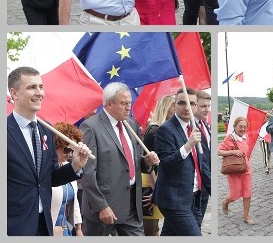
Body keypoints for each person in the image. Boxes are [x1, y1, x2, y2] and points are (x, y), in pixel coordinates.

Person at [7, 67, 91, 236]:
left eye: (41, 87)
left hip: (44, 224)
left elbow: (50, 177)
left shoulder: (46, 130)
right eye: (32, 87)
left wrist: (75, 166)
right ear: (14, 93)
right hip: (12, 227)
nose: (39, 93)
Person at [79, 82, 160, 236]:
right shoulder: (91, 127)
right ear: (109, 104)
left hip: (131, 205)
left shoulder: (131, 125)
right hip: (103, 206)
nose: (128, 107)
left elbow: (130, 162)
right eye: (124, 103)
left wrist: (146, 162)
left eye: (129, 103)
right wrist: (101, 206)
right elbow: (87, 172)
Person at [153, 88, 211, 236]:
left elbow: (201, 163)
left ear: (195, 106)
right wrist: (187, 146)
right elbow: (165, 164)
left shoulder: (195, 128)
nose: (186, 107)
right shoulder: (166, 130)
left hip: (194, 197)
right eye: (181, 103)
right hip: (174, 199)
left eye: (191, 103)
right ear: (174, 105)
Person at [141, 95, 175, 236]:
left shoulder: (165, 129)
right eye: (175, 105)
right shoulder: (154, 130)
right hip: (150, 181)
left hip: (159, 181)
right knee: (150, 227)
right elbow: (149, 165)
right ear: (166, 108)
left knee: (157, 226)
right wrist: (156, 190)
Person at [51, 122, 85, 236]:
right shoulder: (45, 170)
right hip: (50, 229)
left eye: (72, 150)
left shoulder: (67, 168)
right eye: (66, 150)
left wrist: (79, 228)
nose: (70, 154)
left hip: (66, 229)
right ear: (56, 145)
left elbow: (74, 202)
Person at [218, 117, 254, 224]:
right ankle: (225, 202)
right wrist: (233, 151)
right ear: (235, 127)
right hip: (234, 170)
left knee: (248, 193)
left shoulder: (245, 137)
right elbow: (218, 151)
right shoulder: (229, 138)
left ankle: (246, 215)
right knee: (235, 194)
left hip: (245, 168)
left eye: (244, 127)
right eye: (240, 126)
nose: (242, 129)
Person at [192, 90, 212, 228]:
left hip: (205, 182)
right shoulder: (190, 126)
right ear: (194, 105)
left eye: (208, 106)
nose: (207, 110)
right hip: (195, 184)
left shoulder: (204, 125)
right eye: (203, 106)